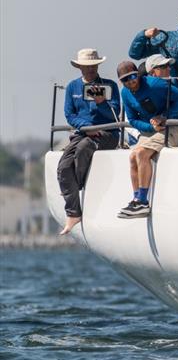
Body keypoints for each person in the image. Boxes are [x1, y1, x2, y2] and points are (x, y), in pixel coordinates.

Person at [57, 49, 121, 235]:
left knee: (84, 148)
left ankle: (74, 186)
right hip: (83, 133)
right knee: (63, 166)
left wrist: (101, 103)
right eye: (87, 66)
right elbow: (70, 115)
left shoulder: (109, 85)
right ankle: (73, 213)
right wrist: (86, 127)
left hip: (107, 133)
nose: (91, 69)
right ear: (80, 67)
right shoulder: (72, 87)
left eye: (94, 66)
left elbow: (115, 114)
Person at [116, 61, 178, 217]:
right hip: (154, 130)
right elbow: (132, 120)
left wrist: (164, 116)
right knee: (133, 156)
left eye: (133, 76)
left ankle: (143, 202)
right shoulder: (125, 93)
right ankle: (137, 199)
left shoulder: (155, 84)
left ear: (138, 74)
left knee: (141, 153)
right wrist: (152, 127)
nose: (130, 81)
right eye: (125, 79)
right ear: (121, 81)